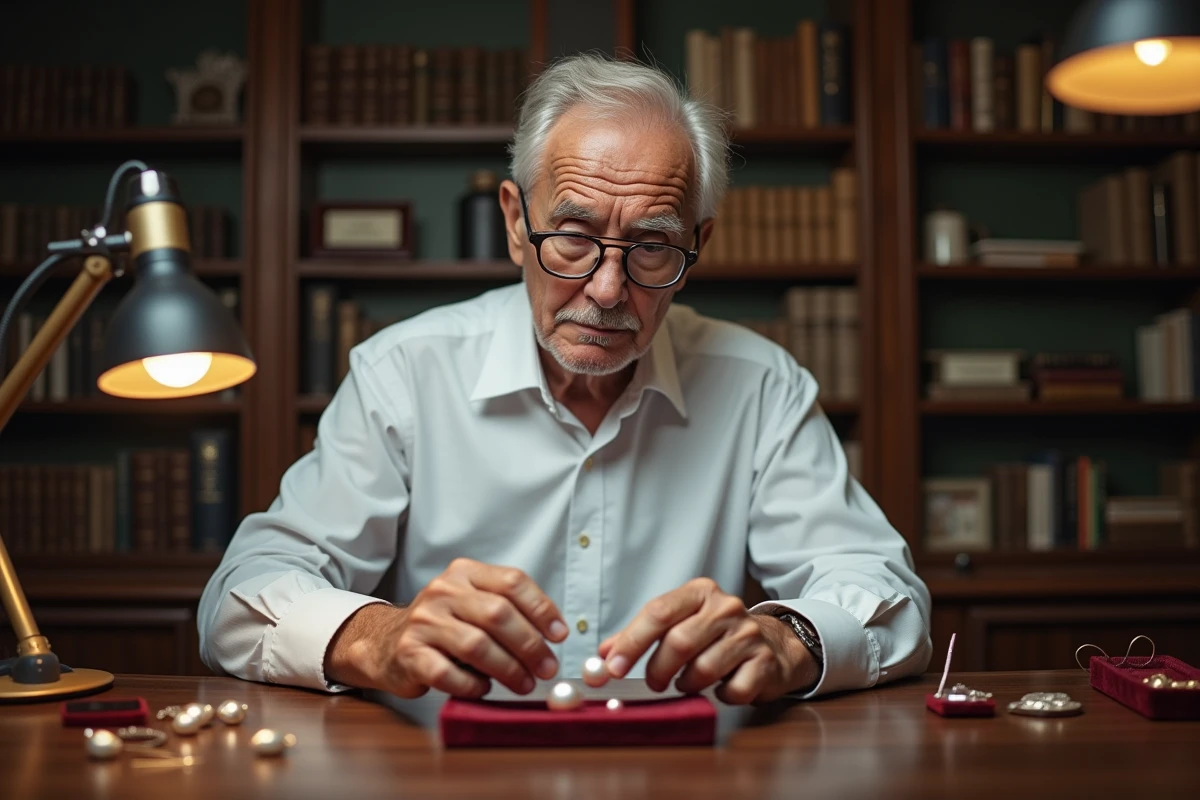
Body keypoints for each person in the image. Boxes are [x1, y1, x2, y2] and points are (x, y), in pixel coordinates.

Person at [198, 53, 931, 706]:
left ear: (698, 244)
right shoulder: (404, 373)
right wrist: (377, 636)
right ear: (516, 221)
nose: (608, 290)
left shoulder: (761, 387)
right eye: (574, 239)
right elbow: (240, 598)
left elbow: (888, 599)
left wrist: (788, 639)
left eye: (651, 247)